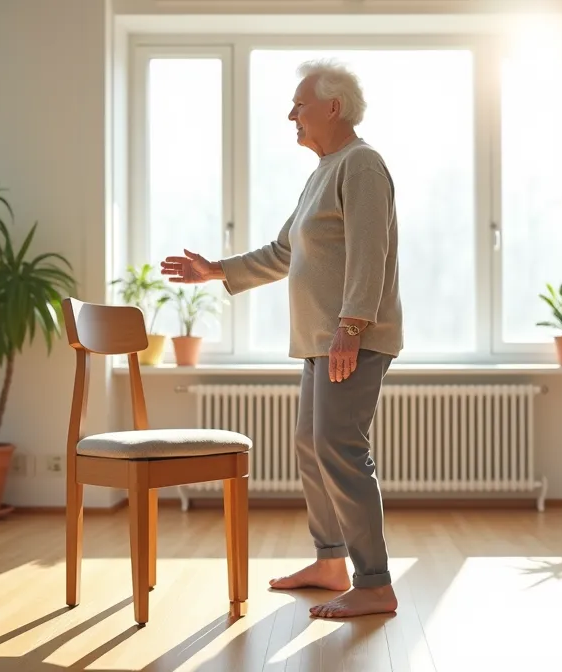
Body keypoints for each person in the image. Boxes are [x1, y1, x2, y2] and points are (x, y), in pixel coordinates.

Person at [160, 59, 402, 619]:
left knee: (341, 450)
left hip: (352, 338)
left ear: (333, 107)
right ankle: (330, 560)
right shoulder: (323, 171)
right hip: (323, 338)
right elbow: (285, 252)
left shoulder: (362, 165)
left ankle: (374, 582)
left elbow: (371, 252)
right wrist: (215, 270)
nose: (291, 113)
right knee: (311, 446)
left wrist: (351, 327)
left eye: (300, 104)